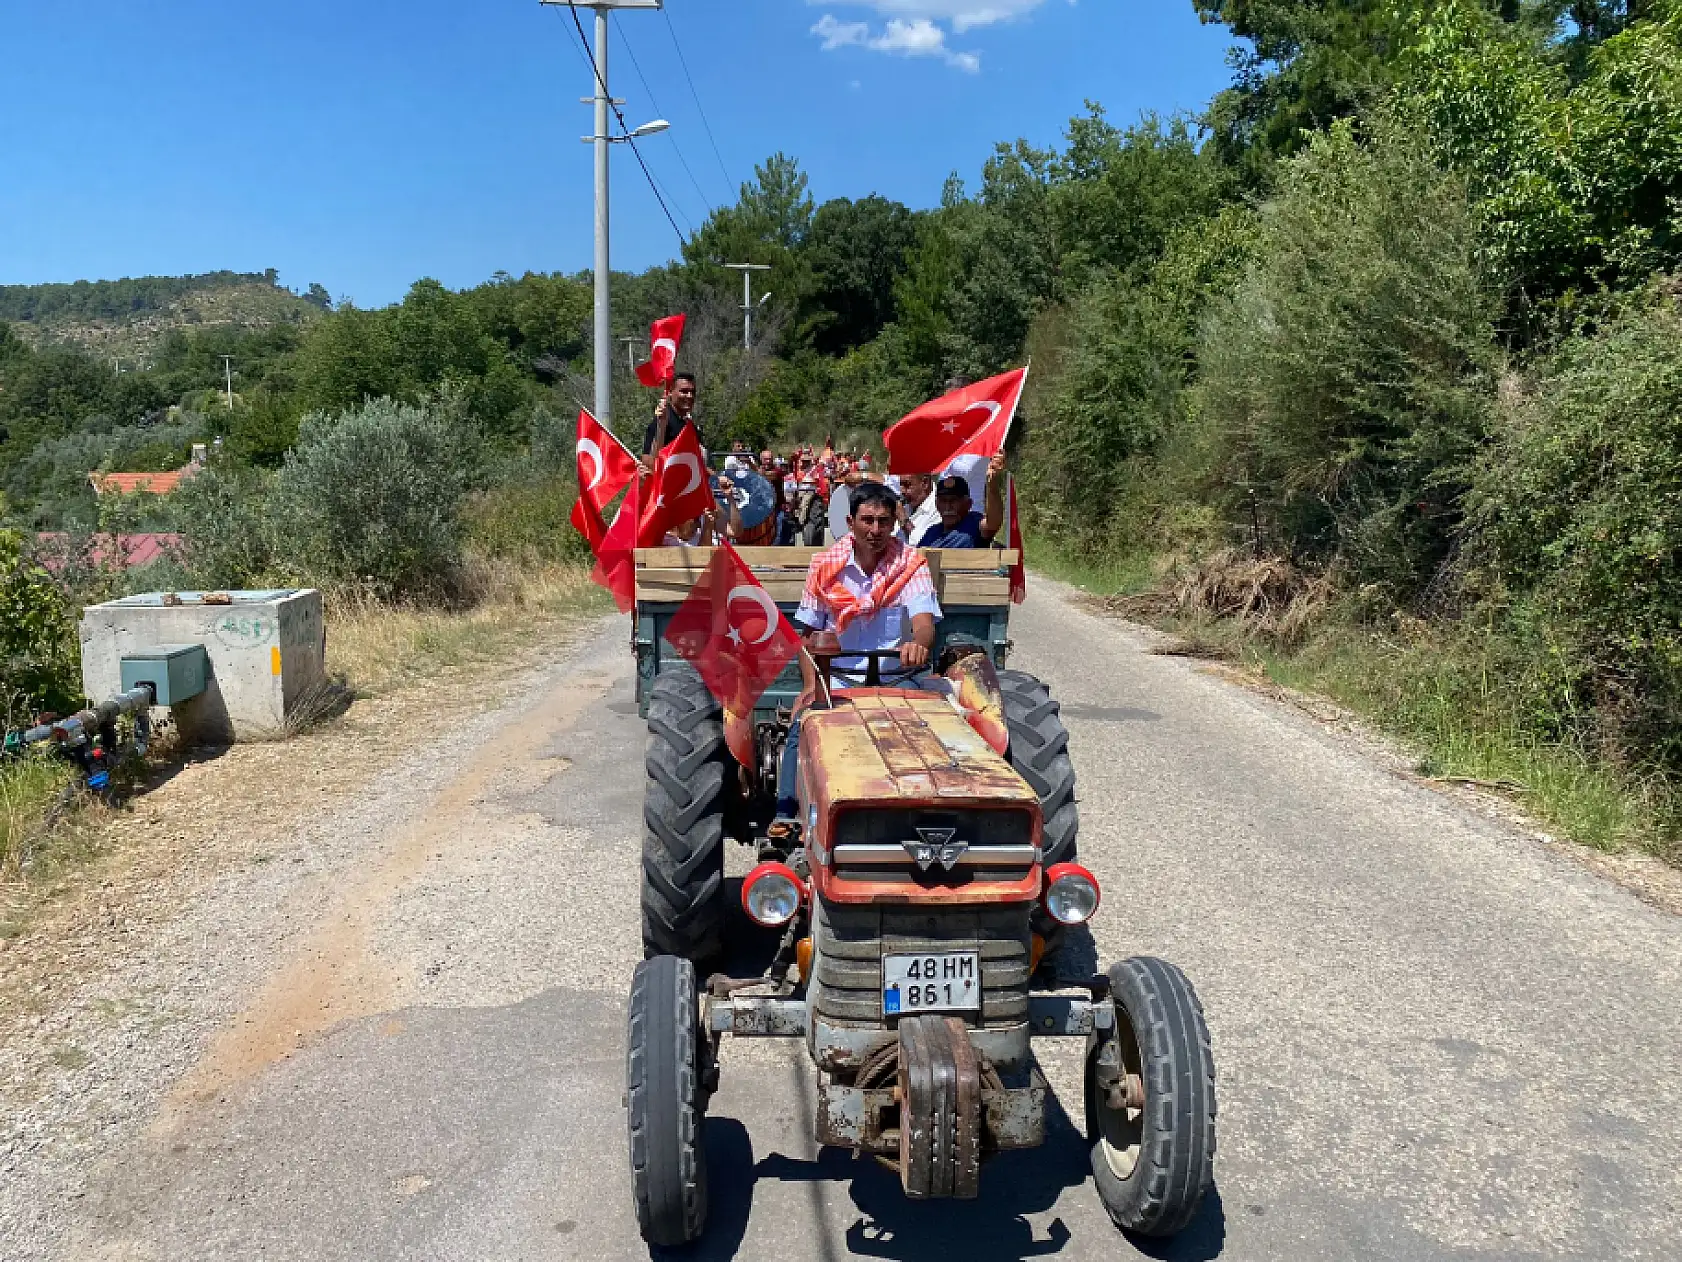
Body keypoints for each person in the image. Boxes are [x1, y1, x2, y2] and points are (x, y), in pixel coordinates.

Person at [772, 482, 942, 830]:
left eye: (883, 521)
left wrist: (918, 644)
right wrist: (811, 687)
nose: (875, 530)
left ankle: (937, 813)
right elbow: (807, 638)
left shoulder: (910, 565)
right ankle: (785, 815)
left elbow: (924, 624)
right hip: (838, 679)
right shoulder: (824, 567)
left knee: (942, 722)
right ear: (850, 522)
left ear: (895, 522)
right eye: (867, 520)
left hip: (897, 678)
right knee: (802, 724)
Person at [914, 453, 1009, 549]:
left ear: (968, 504)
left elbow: (993, 522)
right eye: (943, 501)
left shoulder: (973, 525)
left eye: (953, 501)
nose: (948, 507)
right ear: (937, 504)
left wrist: (992, 485)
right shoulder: (931, 533)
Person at [641, 371, 700, 466]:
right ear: (670, 392)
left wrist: (716, 477)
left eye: (693, 392)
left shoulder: (690, 425)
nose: (690, 396)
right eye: (684, 391)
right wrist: (661, 427)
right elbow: (648, 462)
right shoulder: (661, 421)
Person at [896, 472, 940, 545]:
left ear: (925, 483)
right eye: (900, 485)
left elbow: (926, 544)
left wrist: (904, 520)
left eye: (907, 485)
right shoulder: (906, 506)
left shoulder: (940, 508)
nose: (902, 491)